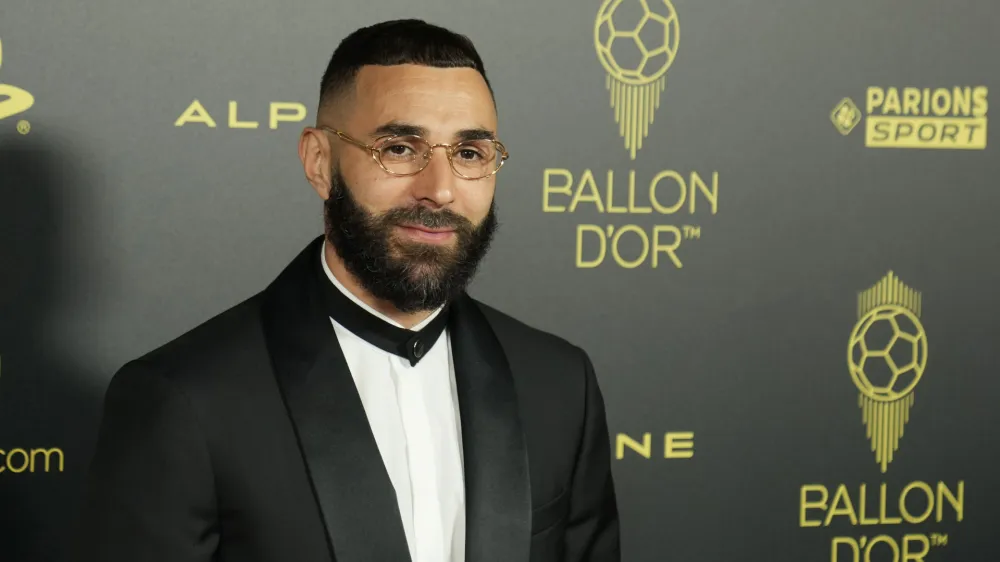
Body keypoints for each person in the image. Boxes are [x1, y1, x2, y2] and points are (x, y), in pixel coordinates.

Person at [75, 19, 620, 562]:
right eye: (401, 148)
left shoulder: (559, 385)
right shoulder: (185, 401)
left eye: (470, 154)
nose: (440, 189)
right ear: (320, 162)